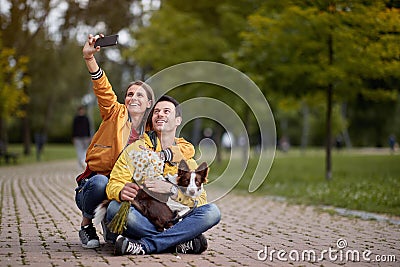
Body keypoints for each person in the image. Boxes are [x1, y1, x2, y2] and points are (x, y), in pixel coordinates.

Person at [105, 95, 221, 255]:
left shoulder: (186, 157)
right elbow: (114, 183)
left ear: (178, 120)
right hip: (145, 217)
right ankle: (180, 242)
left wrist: (172, 190)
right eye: (156, 112)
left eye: (167, 111)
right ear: (152, 119)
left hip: (176, 219)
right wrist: (120, 191)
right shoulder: (136, 150)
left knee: (212, 212)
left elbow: (199, 201)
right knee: (113, 209)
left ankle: (144, 246)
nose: (160, 114)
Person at [75, 33, 156, 249]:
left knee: (112, 241)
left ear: (149, 103)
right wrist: (89, 59)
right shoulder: (115, 113)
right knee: (101, 183)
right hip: (95, 185)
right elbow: (102, 88)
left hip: (122, 189)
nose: (133, 98)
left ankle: (112, 225)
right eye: (130, 94)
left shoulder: (151, 132)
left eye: (140, 95)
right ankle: (86, 224)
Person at [72, 106, 91, 170]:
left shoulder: (86, 119)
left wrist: (89, 137)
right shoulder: (76, 119)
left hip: (85, 137)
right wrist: (73, 137)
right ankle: (81, 163)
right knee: (79, 150)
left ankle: (83, 162)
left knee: (84, 150)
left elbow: (88, 128)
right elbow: (74, 128)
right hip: (77, 137)